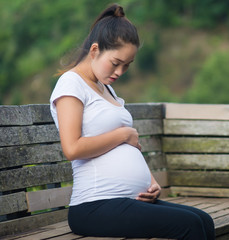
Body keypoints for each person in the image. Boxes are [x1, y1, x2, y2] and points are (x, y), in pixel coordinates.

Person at [50, 3, 215, 240]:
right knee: (190, 225)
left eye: (127, 65)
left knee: (203, 221)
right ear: (95, 50)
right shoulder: (71, 83)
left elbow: (127, 148)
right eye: (115, 62)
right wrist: (124, 134)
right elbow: (72, 148)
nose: (120, 71)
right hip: (95, 206)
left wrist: (151, 181)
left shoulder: (106, 89)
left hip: (127, 201)